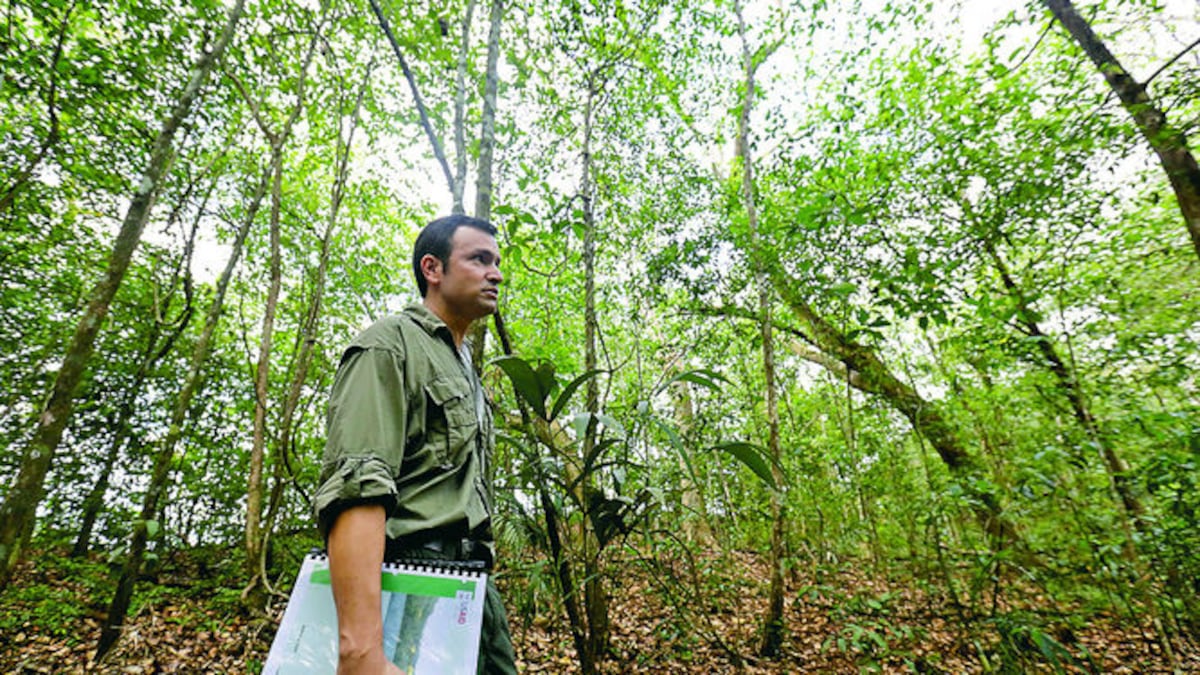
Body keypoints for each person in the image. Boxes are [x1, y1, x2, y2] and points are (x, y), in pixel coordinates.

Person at [313, 215, 517, 675]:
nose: (496, 274)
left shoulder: (467, 370)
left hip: (472, 590)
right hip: (407, 580)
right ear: (433, 268)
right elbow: (357, 488)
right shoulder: (388, 345)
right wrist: (361, 652)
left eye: (497, 262)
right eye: (479, 259)